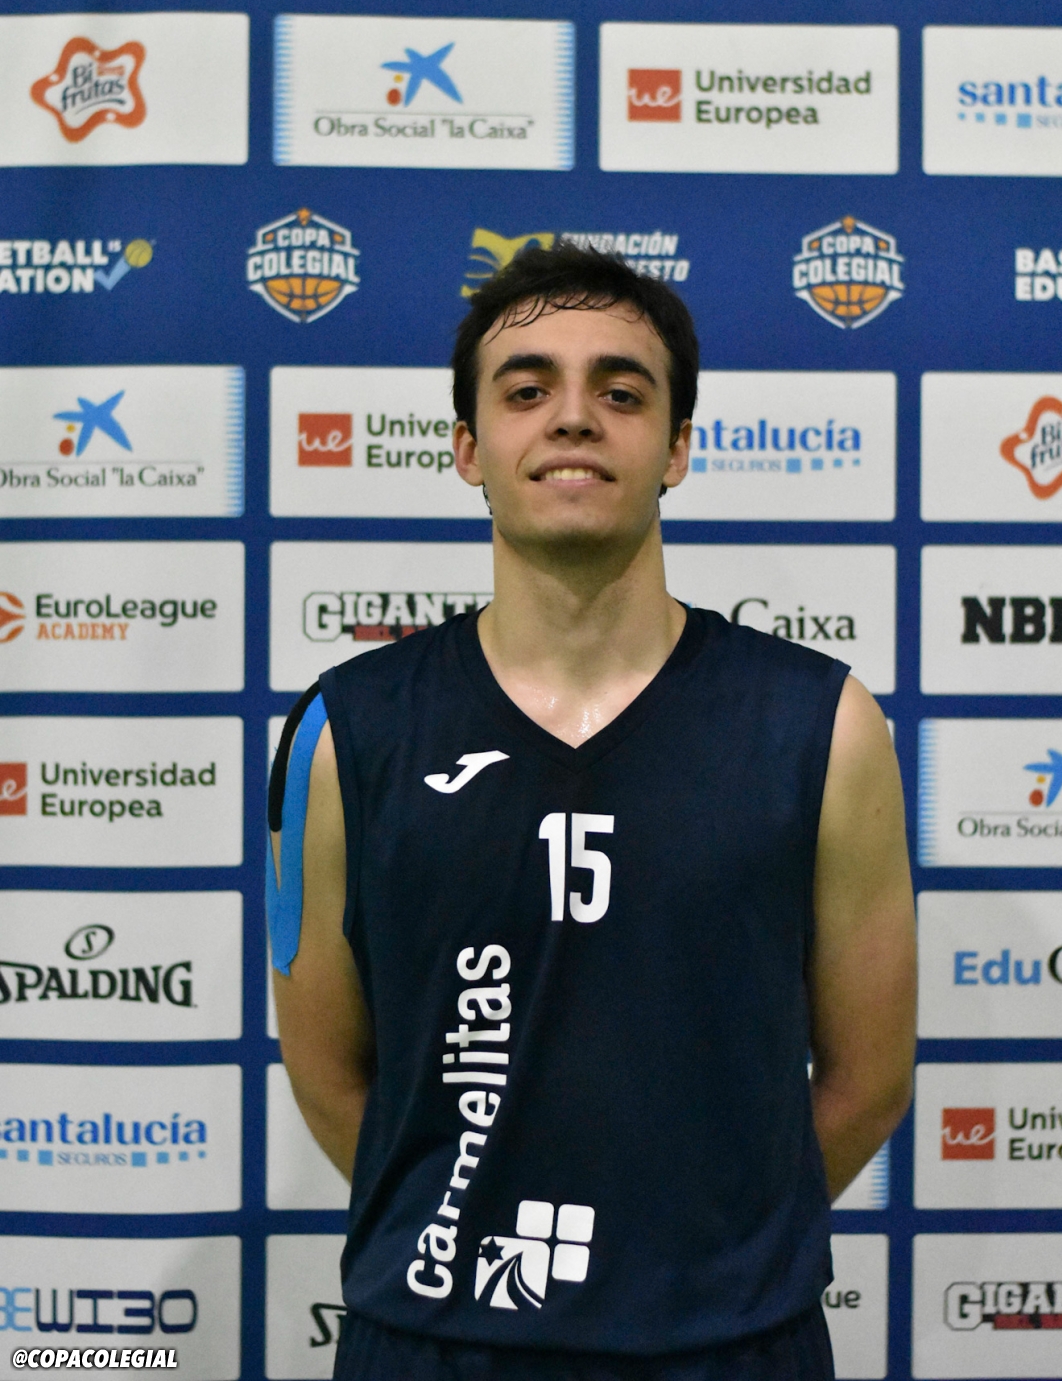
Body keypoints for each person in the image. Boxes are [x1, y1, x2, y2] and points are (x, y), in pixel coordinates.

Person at [267, 243, 916, 1381]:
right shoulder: (344, 728)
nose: (573, 416)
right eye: (527, 390)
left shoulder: (822, 722)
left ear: (676, 448)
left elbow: (868, 1078)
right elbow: (331, 1073)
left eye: (620, 391)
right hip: (431, 1341)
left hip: (728, 1346)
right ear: (467, 448)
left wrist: (710, 1260)